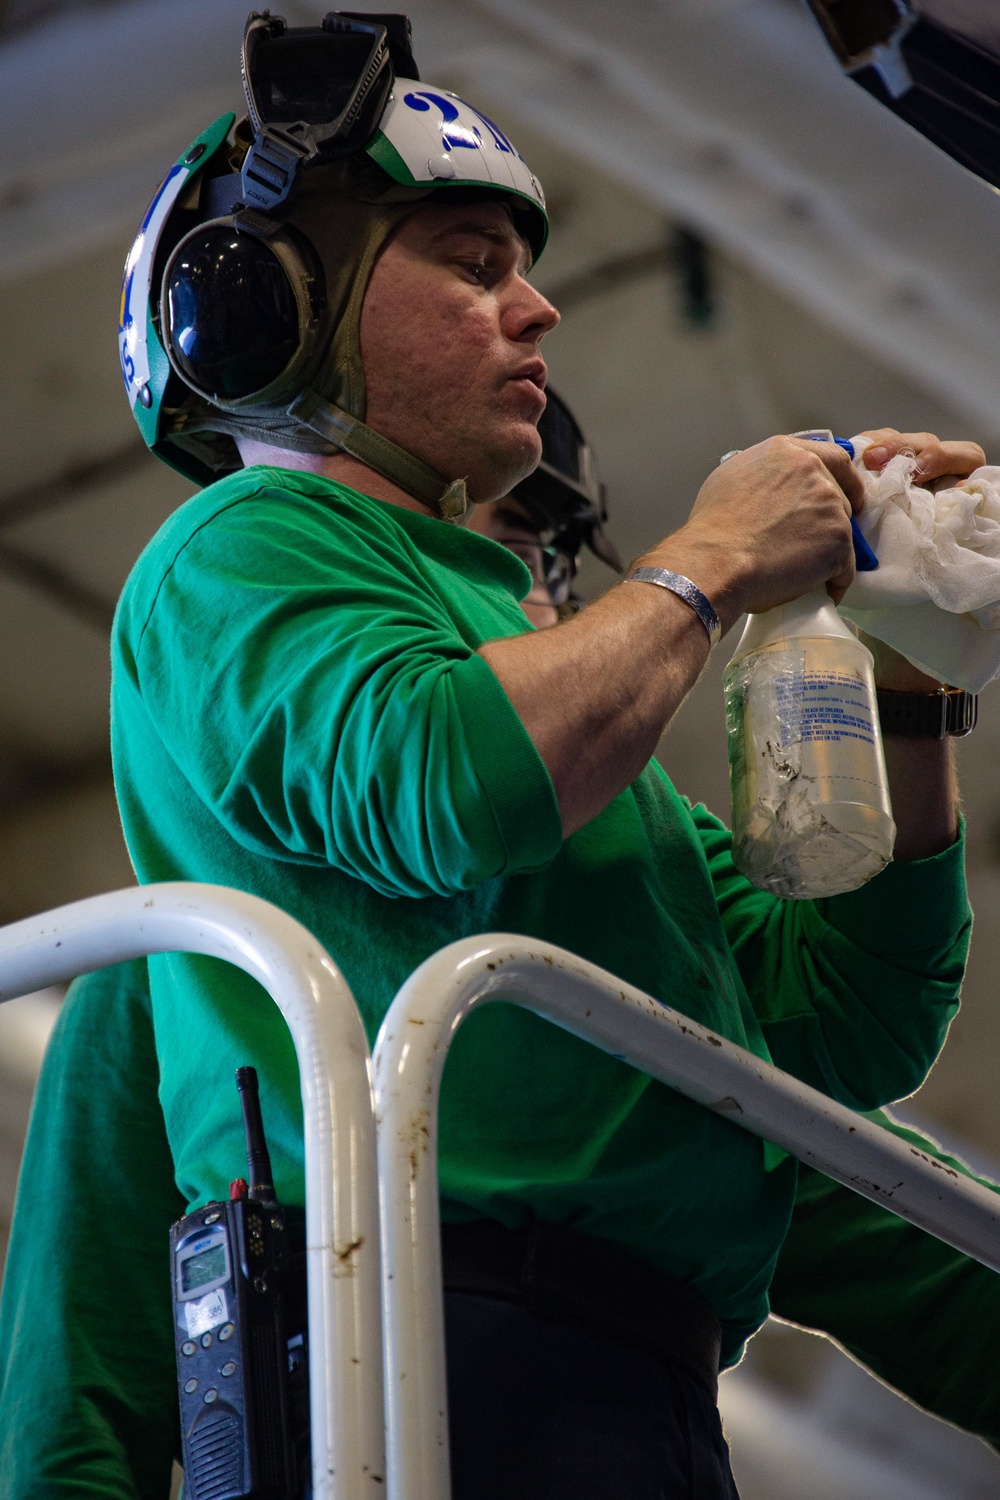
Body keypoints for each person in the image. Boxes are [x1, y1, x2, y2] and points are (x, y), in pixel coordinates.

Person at [0, 14, 985, 1496]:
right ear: (262, 305)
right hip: (430, 1355)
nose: (540, 311)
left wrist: (916, 677)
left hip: (628, 1381)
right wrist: (711, 558)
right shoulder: (241, 546)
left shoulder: (597, 825)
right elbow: (448, 778)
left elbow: (835, 1030)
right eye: (474, 264)